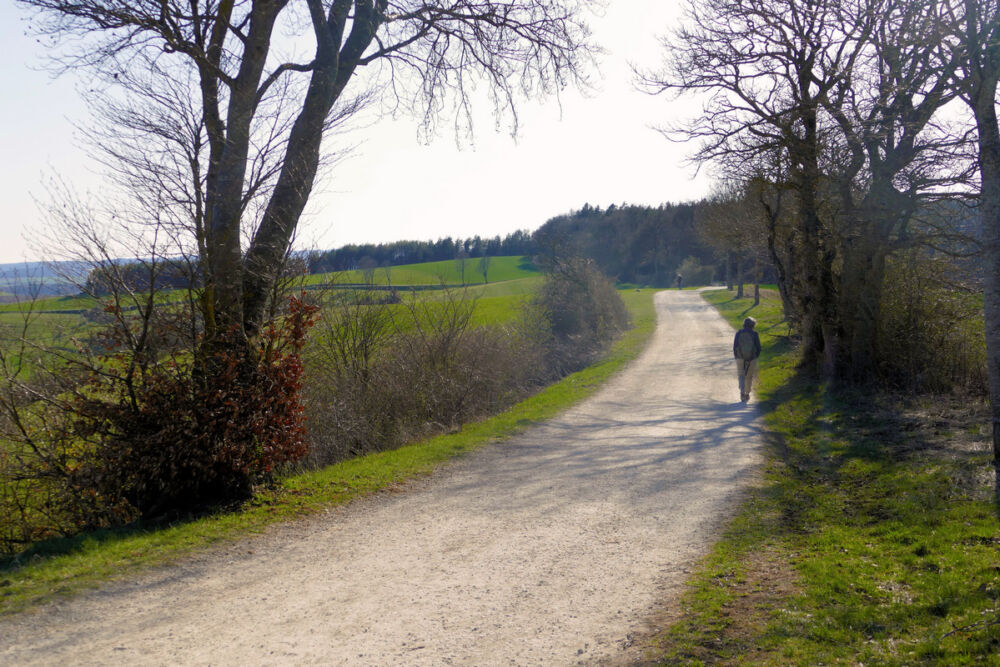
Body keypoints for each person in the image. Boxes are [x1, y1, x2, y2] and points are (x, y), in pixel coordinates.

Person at [733, 317, 761, 403]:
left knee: (741, 375)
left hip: (740, 357)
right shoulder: (755, 334)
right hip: (752, 358)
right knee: (749, 376)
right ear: (753, 325)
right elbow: (759, 347)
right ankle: (747, 393)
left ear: (744, 324)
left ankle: (742, 392)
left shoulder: (739, 333)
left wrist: (737, 357)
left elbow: (735, 347)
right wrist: (755, 357)